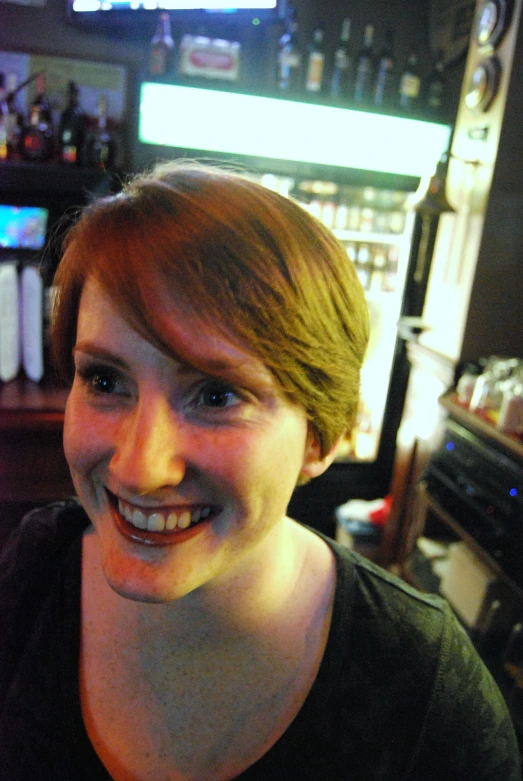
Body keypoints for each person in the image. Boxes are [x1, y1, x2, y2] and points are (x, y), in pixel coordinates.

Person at [0, 161, 519, 781]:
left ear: (321, 435)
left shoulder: (425, 694)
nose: (140, 468)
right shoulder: (35, 569)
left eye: (216, 396)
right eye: (106, 381)